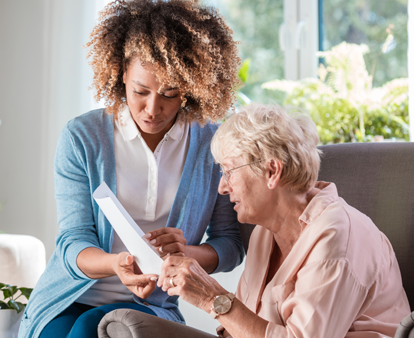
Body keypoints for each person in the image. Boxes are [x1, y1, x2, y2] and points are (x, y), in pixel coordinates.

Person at [18, 1, 245, 337]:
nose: (153, 108)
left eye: (170, 93)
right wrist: (116, 265)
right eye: (140, 91)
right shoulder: (83, 138)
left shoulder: (212, 144)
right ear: (122, 73)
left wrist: (185, 254)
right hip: (69, 296)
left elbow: (230, 244)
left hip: (150, 303)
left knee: (87, 330)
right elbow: (72, 241)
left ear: (191, 87)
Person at [158, 104, 411, 338]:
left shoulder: (338, 236)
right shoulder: (264, 234)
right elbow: (241, 327)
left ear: (272, 171)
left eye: (229, 171)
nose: (222, 187)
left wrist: (211, 297)